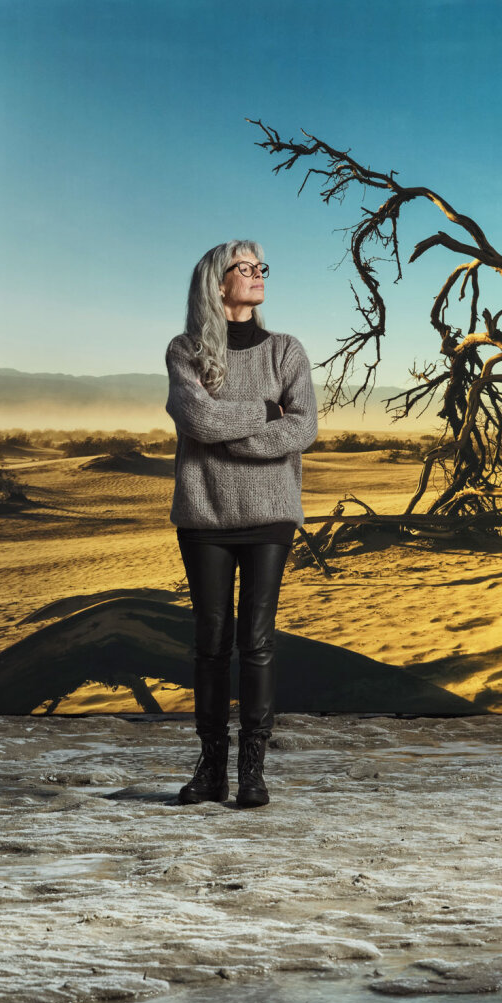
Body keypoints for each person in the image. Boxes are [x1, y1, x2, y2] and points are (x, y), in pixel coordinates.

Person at [164, 240, 317, 807]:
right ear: (217, 282)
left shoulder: (286, 350)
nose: (257, 276)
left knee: (256, 643)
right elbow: (198, 418)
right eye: (245, 268)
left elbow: (303, 429)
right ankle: (212, 768)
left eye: (261, 268)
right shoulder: (186, 352)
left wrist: (235, 441)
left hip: (271, 514)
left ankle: (252, 768)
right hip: (204, 513)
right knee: (210, 643)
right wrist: (262, 416)